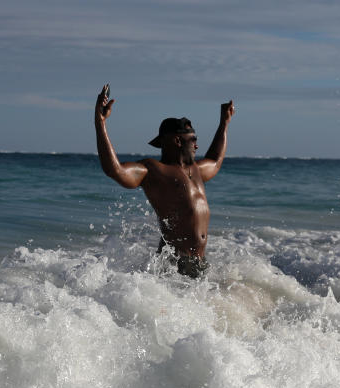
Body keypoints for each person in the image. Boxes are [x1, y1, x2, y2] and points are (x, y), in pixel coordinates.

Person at [95, 84, 235, 277]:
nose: (196, 145)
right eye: (192, 140)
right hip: (175, 265)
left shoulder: (196, 170)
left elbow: (215, 160)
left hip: (199, 263)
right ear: (177, 141)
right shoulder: (154, 170)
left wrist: (224, 123)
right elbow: (115, 170)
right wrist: (100, 123)